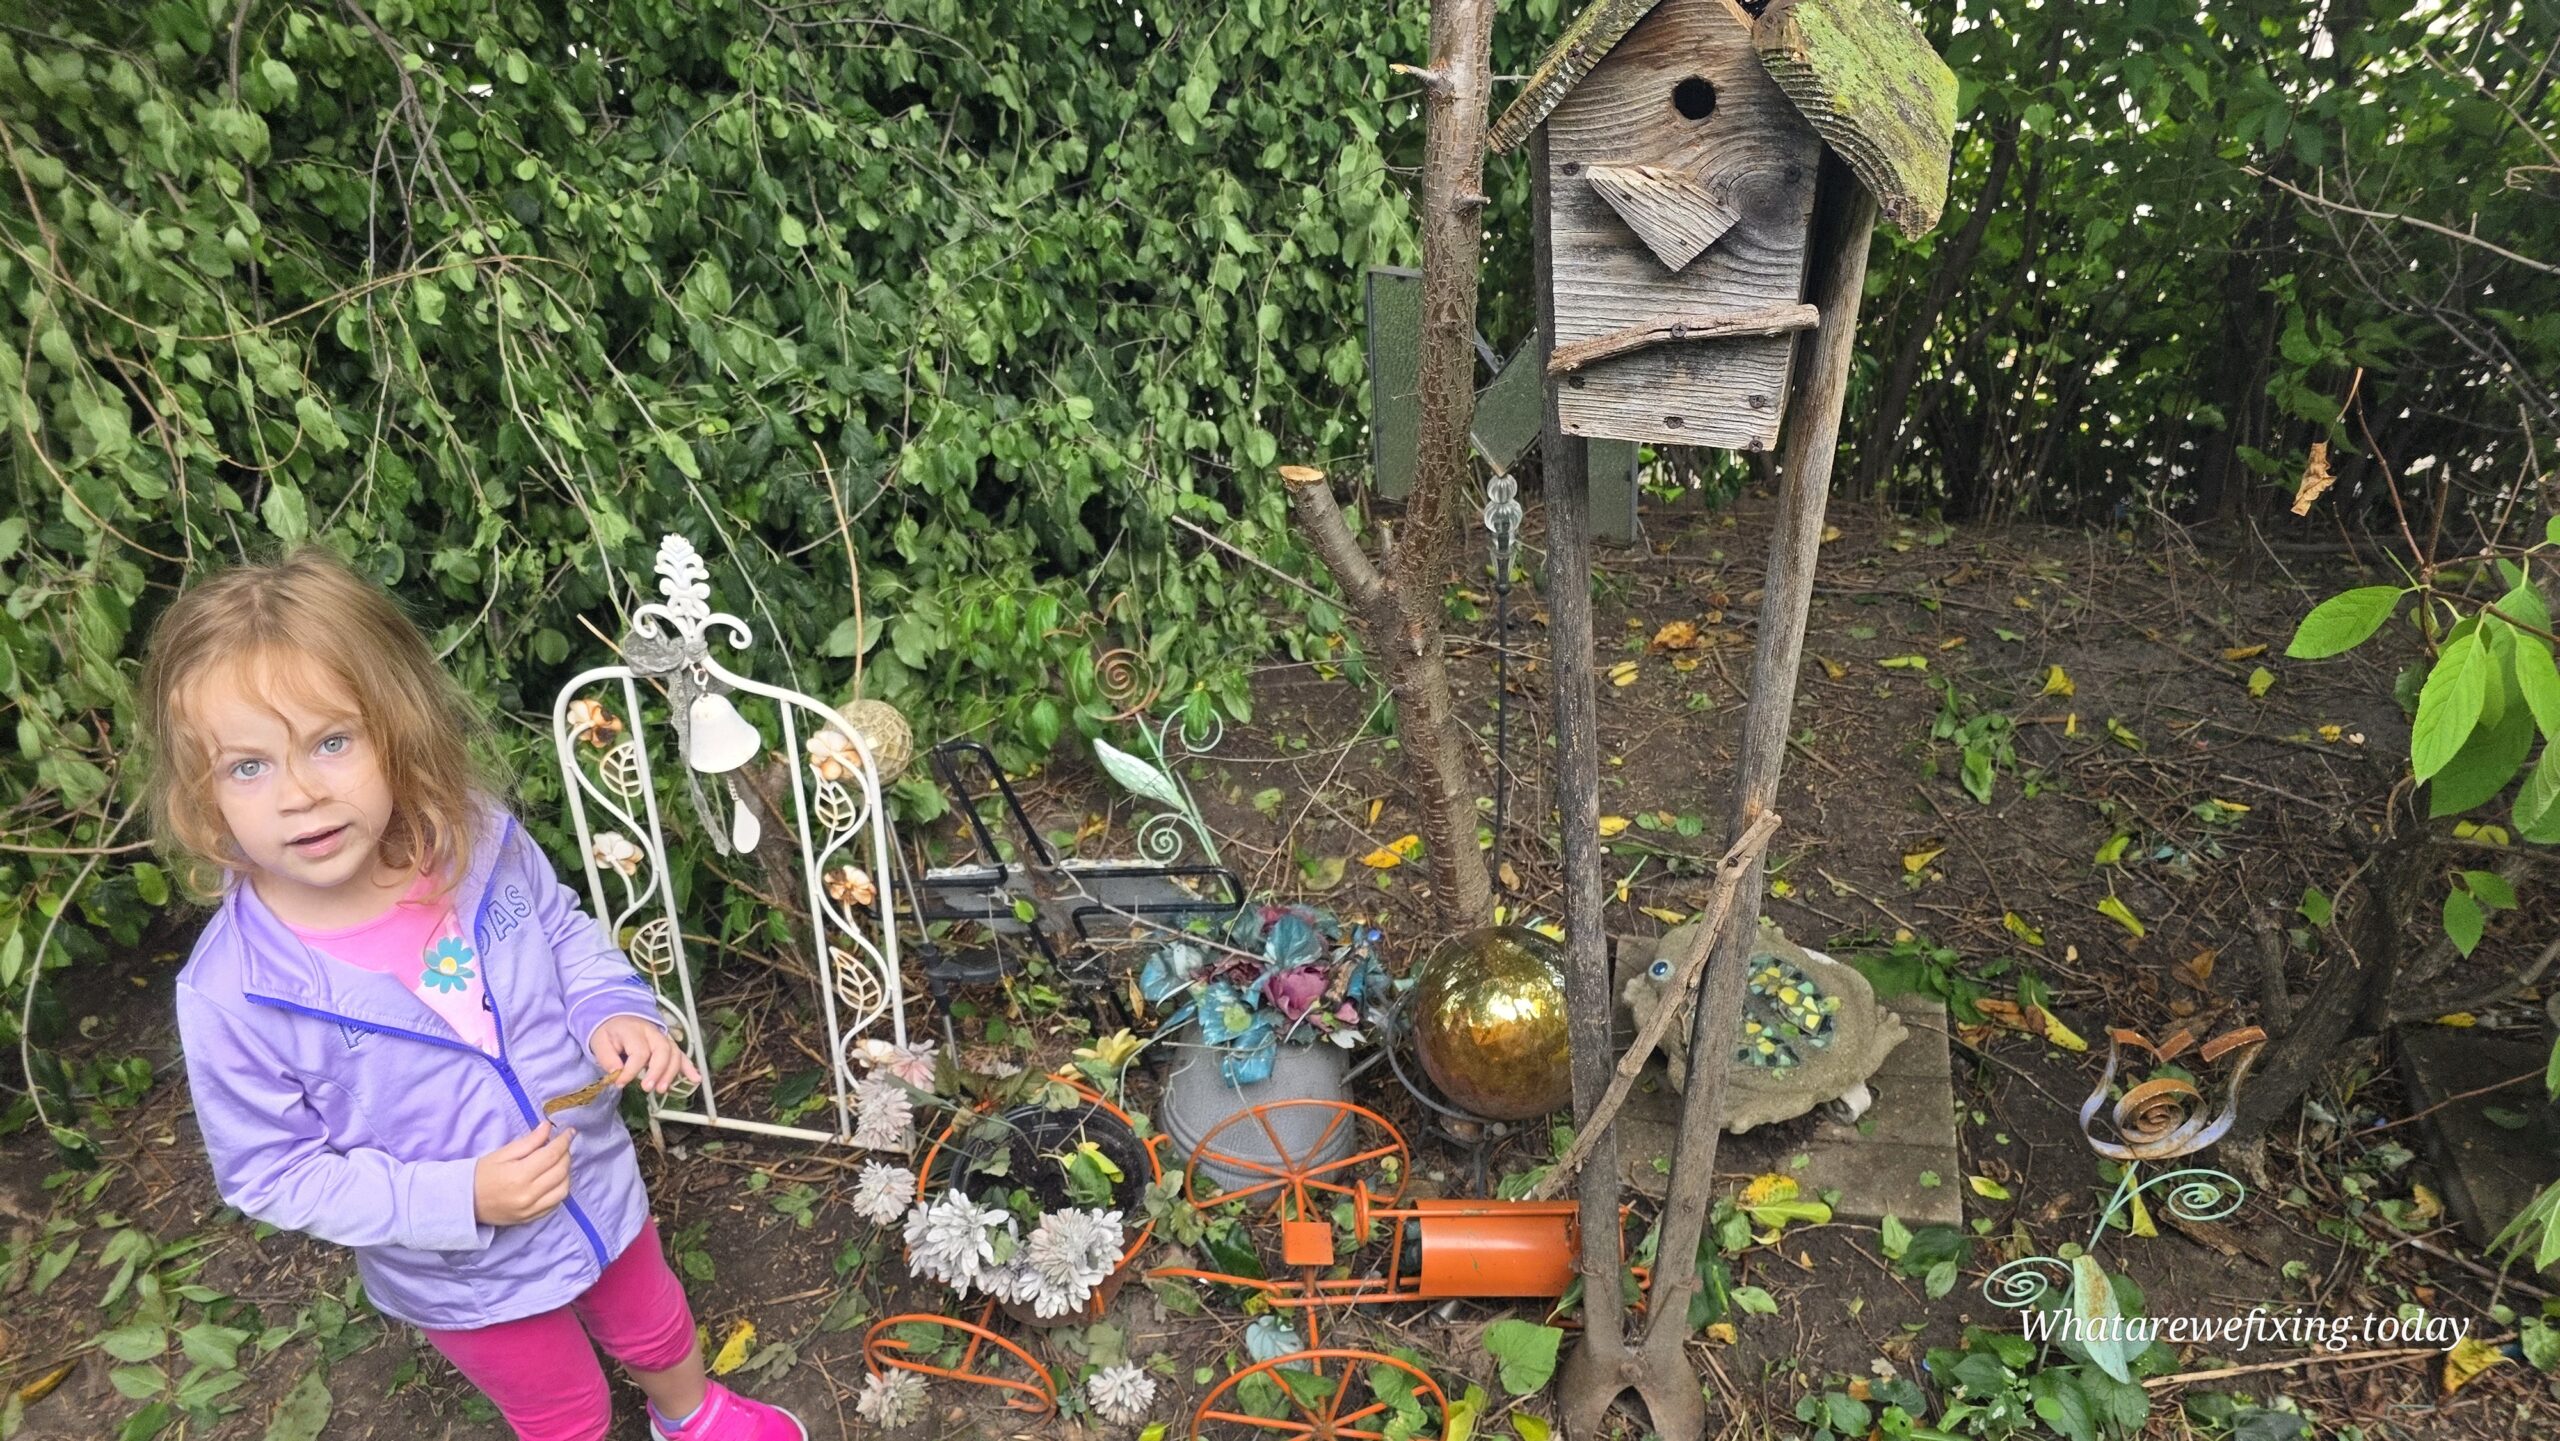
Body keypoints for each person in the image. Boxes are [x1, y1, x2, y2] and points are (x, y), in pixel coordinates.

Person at [143, 549, 803, 1441]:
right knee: (563, 1408)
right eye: (248, 766)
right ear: (201, 792)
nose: (300, 793)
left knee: (654, 1321)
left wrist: (612, 1009)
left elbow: (563, 933)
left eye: (332, 741)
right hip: (464, 1273)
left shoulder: (475, 841)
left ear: (398, 727)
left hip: (594, 1178)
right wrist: (458, 1198)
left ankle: (691, 1415)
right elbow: (272, 1170)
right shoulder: (236, 993)